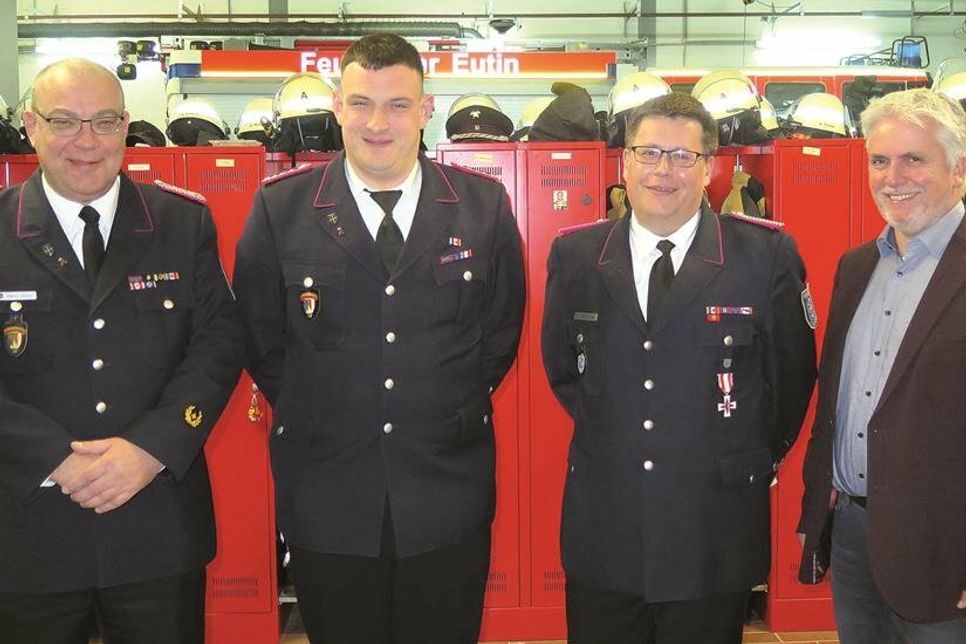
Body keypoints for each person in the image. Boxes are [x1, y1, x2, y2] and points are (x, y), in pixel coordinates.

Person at [233, 34, 526, 644]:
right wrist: (328, 407)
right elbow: (262, 342)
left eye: (397, 105)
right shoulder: (281, 210)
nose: (376, 123)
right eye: (361, 103)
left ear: (425, 110)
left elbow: (499, 335)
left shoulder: (483, 206)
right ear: (338, 107)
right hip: (328, 491)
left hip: (447, 487)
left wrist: (439, 401)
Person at [541, 92, 817, 644]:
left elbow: (790, 381)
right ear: (624, 162)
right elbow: (566, 373)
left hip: (711, 528)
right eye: (648, 152)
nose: (662, 170)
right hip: (606, 527)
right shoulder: (577, 257)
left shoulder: (765, 257)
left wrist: (733, 454)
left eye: (682, 156)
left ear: (709, 167)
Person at [0, 59, 242, 643]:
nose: (87, 141)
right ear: (31, 126)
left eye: (105, 121)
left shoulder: (181, 223)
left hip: (156, 526)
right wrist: (53, 457)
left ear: (126, 126)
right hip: (25, 531)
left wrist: (151, 449)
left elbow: (218, 344)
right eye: (65, 121)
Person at [798, 88, 966, 643]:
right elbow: (834, 401)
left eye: (914, 159)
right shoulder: (856, 267)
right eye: (879, 160)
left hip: (944, 547)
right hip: (853, 533)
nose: (894, 178)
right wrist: (818, 511)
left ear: (958, 169)